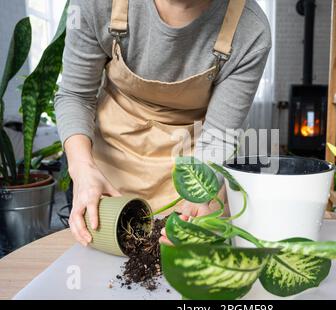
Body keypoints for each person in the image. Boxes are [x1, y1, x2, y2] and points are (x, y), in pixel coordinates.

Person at [55, 0, 271, 245]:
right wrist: (82, 169)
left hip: (195, 166)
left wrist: (199, 198)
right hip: (108, 174)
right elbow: (76, 95)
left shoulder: (250, 29)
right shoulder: (96, 4)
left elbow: (219, 134)